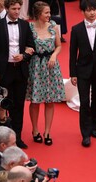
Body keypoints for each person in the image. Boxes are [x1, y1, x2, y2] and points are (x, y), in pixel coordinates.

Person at [0, 0, 35, 149]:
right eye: (14, 8)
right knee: (3, 105)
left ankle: (17, 137)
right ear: (7, 8)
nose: (17, 11)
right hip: (4, 70)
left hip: (20, 70)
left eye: (19, 8)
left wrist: (24, 56)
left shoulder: (25, 24)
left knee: (19, 105)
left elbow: (31, 46)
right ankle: (2, 138)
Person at [69, 0, 96, 147]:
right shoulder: (76, 29)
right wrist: (73, 74)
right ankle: (85, 134)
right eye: (89, 10)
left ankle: (94, 127)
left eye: (94, 9)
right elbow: (72, 53)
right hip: (82, 71)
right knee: (84, 101)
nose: (92, 12)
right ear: (83, 12)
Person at [26, 1, 65, 146]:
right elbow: (26, 45)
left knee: (50, 101)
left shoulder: (54, 26)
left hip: (51, 66)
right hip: (36, 66)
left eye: (49, 12)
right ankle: (35, 130)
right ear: (38, 14)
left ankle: (47, 131)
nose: (49, 15)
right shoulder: (29, 28)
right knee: (35, 101)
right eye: (46, 13)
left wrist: (54, 55)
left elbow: (59, 45)